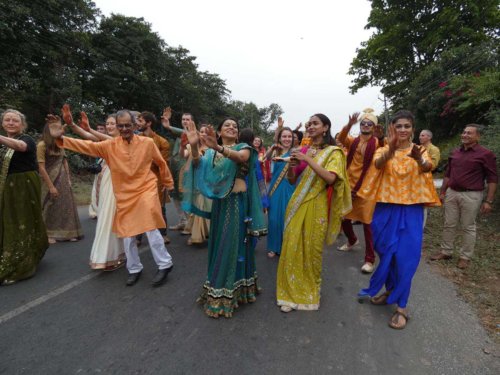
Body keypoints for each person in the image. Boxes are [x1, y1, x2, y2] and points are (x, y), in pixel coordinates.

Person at [49, 109, 174, 287]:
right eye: (120, 126)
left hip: (146, 189)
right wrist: (59, 139)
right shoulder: (110, 146)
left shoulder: (147, 143)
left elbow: (161, 162)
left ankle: (164, 264)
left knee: (150, 227)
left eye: (127, 125)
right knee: (128, 234)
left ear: (134, 125)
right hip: (124, 194)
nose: (124, 129)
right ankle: (134, 268)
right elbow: (85, 145)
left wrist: (168, 182)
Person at [357, 110, 440, 329]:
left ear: (413, 129)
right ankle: (391, 291)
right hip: (385, 209)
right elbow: (377, 164)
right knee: (386, 254)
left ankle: (402, 307)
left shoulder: (420, 150)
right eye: (399, 126)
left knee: (405, 258)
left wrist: (418, 158)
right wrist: (392, 148)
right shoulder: (384, 150)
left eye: (407, 126)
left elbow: (427, 167)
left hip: (411, 210)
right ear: (392, 128)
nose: (403, 130)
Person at [184, 118, 267, 318]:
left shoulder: (243, 146)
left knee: (232, 244)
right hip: (221, 205)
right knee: (220, 242)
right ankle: (222, 288)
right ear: (219, 131)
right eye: (227, 125)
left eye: (235, 126)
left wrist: (219, 148)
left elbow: (241, 157)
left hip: (237, 204)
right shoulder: (211, 152)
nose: (232, 127)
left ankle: (229, 289)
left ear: (237, 133)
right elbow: (197, 164)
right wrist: (195, 146)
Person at [276, 113, 351, 312]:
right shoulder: (304, 150)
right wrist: (292, 167)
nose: (310, 126)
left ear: (325, 127)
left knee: (310, 249)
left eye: (315, 123)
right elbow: (292, 180)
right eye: (309, 124)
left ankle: (308, 293)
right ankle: (289, 293)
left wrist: (307, 159)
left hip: (316, 204)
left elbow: (331, 179)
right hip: (296, 203)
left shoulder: (334, 152)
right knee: (291, 245)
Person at [61, 106, 126, 271]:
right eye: (108, 124)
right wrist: (73, 125)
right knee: (107, 218)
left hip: (119, 183)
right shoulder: (106, 142)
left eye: (114, 124)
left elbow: (103, 139)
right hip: (106, 180)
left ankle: (110, 256)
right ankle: (115, 255)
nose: (110, 126)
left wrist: (88, 128)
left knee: (110, 218)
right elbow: (89, 139)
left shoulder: (126, 141)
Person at [430, 124, 497, 269]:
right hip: (452, 193)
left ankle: (465, 257)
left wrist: (488, 201)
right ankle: (446, 251)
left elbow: (492, 179)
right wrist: (442, 192)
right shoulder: (455, 152)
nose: (465, 135)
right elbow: (448, 174)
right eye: (464, 132)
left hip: (471, 195)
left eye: (469, 133)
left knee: (468, 226)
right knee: (449, 224)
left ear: (478, 136)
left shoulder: (486, 154)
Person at [0, 109, 49, 285]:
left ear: (22, 124)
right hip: (6, 185)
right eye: (7, 120)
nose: (11, 123)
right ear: (3, 123)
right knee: (7, 220)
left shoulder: (26, 139)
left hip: (23, 185)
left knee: (23, 219)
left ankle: (23, 258)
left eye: (15, 120)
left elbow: (21, 147)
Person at [336, 108, 385, 273]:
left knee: (366, 222)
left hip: (367, 186)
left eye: (369, 124)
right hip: (349, 183)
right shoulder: (354, 140)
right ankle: (352, 240)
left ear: (373, 126)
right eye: (363, 123)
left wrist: (381, 138)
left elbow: (385, 152)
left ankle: (369, 259)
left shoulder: (377, 143)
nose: (365, 125)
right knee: (343, 216)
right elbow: (341, 138)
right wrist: (349, 124)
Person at [37, 118, 83, 243]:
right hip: (49, 179)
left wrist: (68, 178)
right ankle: (48, 234)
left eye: (59, 127)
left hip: (62, 178)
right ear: (47, 130)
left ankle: (69, 233)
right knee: (50, 205)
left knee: (66, 205)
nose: (58, 130)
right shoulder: (41, 145)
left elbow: (64, 161)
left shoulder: (59, 143)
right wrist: (51, 186)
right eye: (54, 128)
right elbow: (41, 167)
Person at [137, 111, 171, 244]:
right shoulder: (134, 139)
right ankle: (138, 236)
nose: (137, 124)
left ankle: (163, 233)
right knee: (139, 207)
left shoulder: (162, 142)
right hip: (138, 179)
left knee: (159, 207)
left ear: (148, 123)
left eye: (140, 121)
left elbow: (163, 164)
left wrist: (165, 183)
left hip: (156, 179)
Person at [265, 127, 295, 258]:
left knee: (287, 217)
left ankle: (286, 247)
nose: (287, 139)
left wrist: (282, 159)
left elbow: (294, 162)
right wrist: (272, 147)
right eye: (284, 136)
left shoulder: (295, 151)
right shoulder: (276, 150)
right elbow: (267, 158)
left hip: (289, 187)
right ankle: (273, 247)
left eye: (289, 136)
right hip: (275, 188)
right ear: (280, 138)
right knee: (273, 219)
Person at [156, 108, 189, 231]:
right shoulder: (179, 135)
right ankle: (183, 220)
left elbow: (185, 133)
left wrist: (169, 126)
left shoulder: (193, 134)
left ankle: (191, 223)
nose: (185, 121)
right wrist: (165, 125)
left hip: (185, 170)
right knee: (174, 194)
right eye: (183, 119)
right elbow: (160, 137)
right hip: (174, 167)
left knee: (184, 195)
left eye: (188, 119)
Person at [181, 124, 212, 245]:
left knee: (207, 206)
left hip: (209, 182)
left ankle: (206, 232)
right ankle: (197, 234)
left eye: (206, 132)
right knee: (198, 205)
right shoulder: (192, 147)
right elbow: (183, 155)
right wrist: (182, 145)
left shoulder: (214, 149)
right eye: (202, 131)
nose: (203, 134)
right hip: (195, 180)